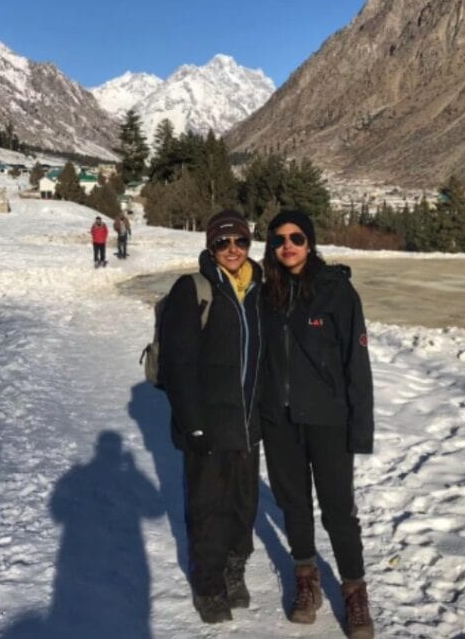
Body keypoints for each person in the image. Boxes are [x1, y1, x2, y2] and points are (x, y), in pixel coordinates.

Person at [260, 210, 375, 639]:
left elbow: (356, 367)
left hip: (328, 420)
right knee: (293, 504)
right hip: (280, 420)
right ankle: (306, 577)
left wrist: (360, 429)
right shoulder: (264, 292)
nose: (286, 245)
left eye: (296, 237)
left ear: (310, 242)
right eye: (278, 239)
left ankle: (354, 589)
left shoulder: (337, 292)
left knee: (338, 509)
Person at [160, 209, 263, 624]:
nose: (232, 250)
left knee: (243, 505)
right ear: (210, 247)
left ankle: (233, 572)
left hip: (247, 425)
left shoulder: (258, 288)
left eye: (239, 241)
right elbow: (177, 364)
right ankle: (208, 586)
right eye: (223, 243)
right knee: (207, 508)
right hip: (207, 425)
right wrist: (193, 422)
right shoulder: (194, 289)